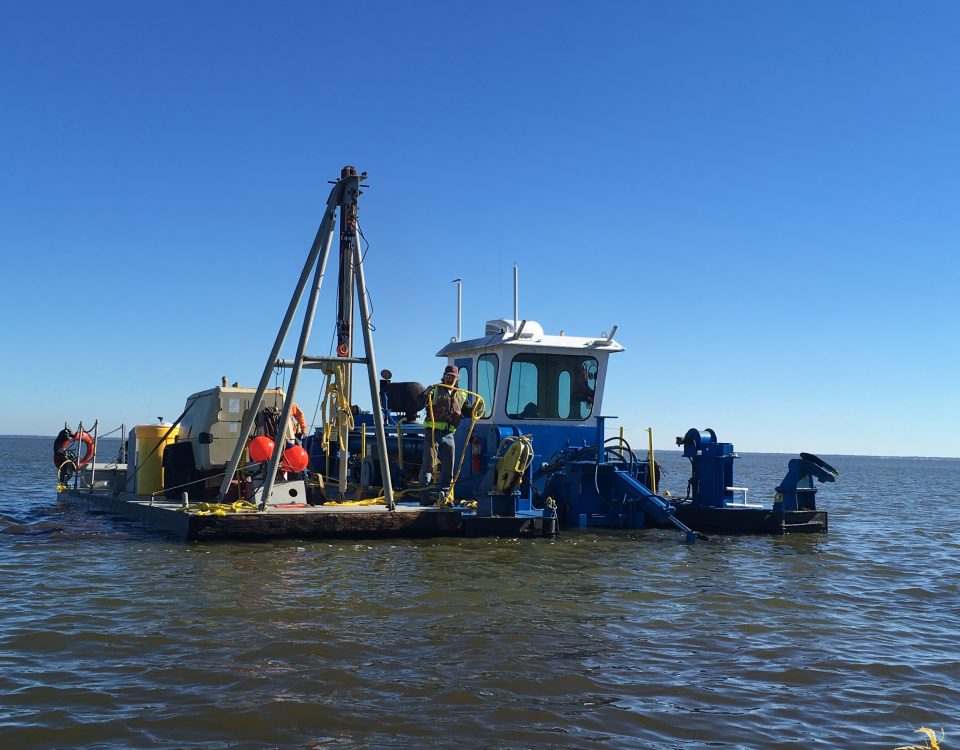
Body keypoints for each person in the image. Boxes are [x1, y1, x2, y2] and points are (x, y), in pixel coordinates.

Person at [419, 364, 466, 502]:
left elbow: (468, 410)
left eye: (452, 377)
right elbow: (421, 401)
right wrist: (424, 394)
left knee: (448, 464)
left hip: (449, 434)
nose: (449, 379)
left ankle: (444, 494)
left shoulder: (462, 394)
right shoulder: (435, 390)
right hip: (432, 431)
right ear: (443, 377)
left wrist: (477, 408)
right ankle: (424, 494)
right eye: (447, 376)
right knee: (429, 462)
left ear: (457, 378)